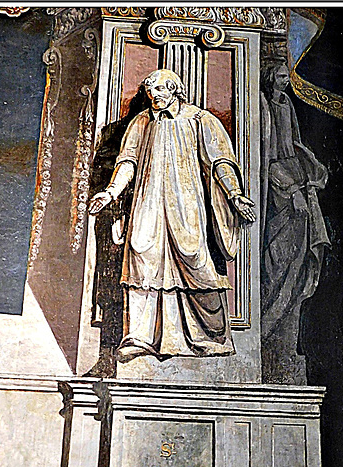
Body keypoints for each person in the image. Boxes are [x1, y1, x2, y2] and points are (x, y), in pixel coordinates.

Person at [89, 69, 255, 364]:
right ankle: (140, 336)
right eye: (150, 93)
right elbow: (127, 161)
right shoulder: (141, 122)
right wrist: (111, 192)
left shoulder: (199, 119)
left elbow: (221, 163)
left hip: (186, 202)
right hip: (147, 200)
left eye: (159, 92)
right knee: (141, 252)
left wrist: (234, 194)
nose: (153, 97)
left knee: (194, 256)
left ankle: (211, 336)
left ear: (175, 90)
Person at [260, 60, 330, 384]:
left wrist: (309, 172)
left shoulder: (286, 104)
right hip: (279, 188)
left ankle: (284, 346)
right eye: (281, 76)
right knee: (279, 266)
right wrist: (289, 189)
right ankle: (266, 334)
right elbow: (269, 156)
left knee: (299, 267)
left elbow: (294, 144)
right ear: (270, 77)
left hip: (293, 180)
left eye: (288, 76)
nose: (285, 81)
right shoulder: (262, 105)